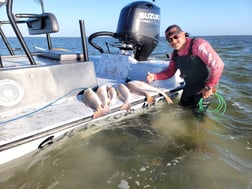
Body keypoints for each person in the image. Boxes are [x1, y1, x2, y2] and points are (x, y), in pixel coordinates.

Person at [146, 24, 224, 115]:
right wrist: (155, 76)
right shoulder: (175, 54)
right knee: (183, 110)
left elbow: (218, 65)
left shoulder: (198, 44)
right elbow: (170, 72)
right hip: (190, 86)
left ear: (183, 34)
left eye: (176, 36)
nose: (174, 41)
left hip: (205, 86)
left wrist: (209, 87)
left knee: (199, 115)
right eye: (170, 39)